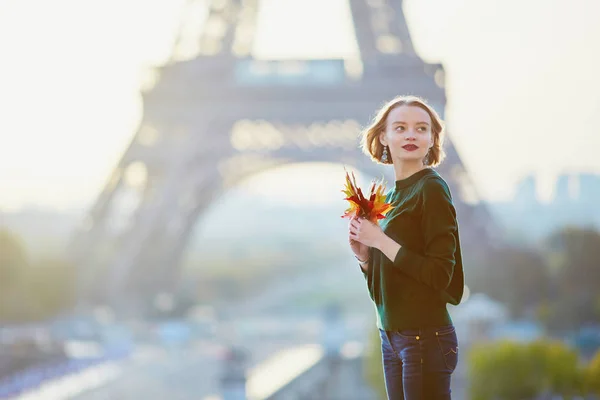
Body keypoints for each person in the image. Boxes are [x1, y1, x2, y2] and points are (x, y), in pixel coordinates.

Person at [348, 95, 464, 399]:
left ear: (432, 139)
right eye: (400, 128)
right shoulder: (392, 197)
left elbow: (440, 275)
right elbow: (384, 293)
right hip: (391, 336)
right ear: (383, 136)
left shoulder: (432, 189)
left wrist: (380, 240)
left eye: (421, 128)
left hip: (424, 337)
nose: (411, 134)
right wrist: (365, 259)